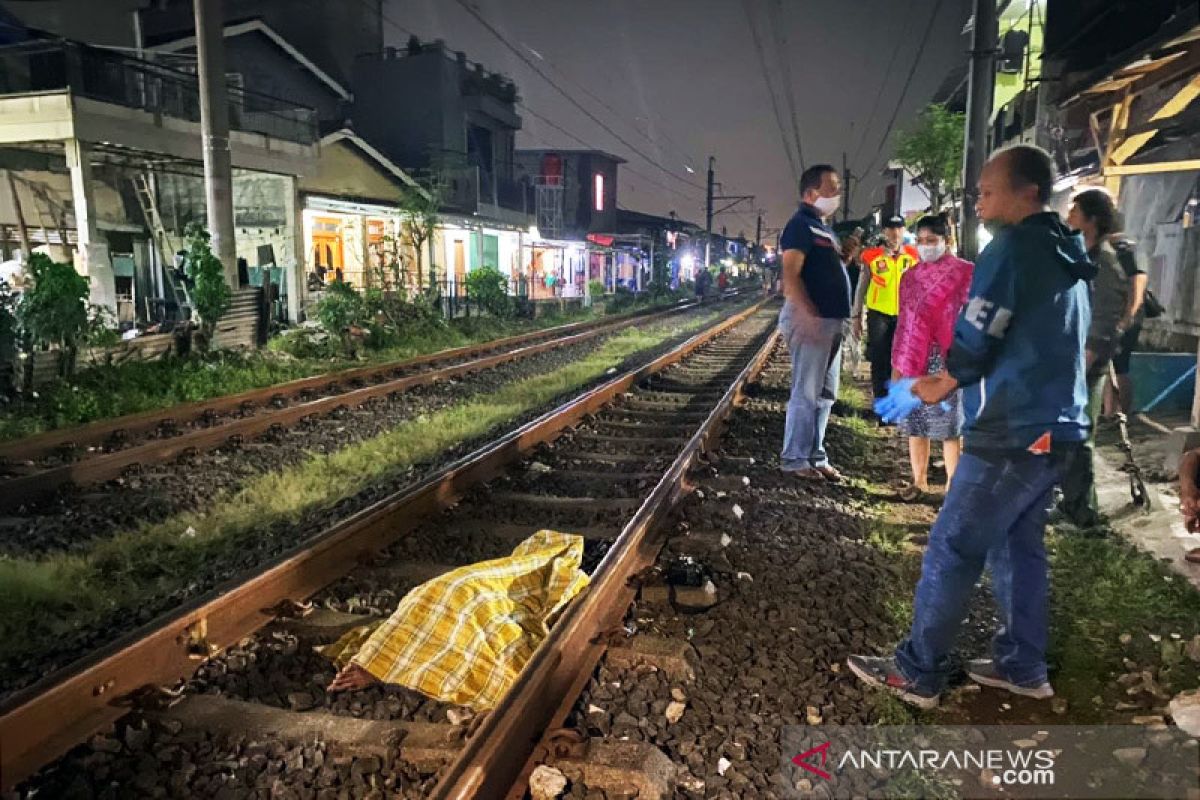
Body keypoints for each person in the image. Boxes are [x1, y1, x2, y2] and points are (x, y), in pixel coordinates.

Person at [847, 144, 1095, 708]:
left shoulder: (1013, 248)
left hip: (1012, 422)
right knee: (1018, 544)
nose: (979, 203)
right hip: (1059, 424)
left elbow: (984, 327)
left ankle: (918, 672)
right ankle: (1022, 665)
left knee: (952, 545)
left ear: (1026, 191)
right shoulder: (1068, 250)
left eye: (987, 192)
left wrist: (946, 377)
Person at [778, 164, 861, 482]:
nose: (837, 194)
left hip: (830, 322)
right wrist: (807, 314)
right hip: (813, 322)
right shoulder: (800, 225)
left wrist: (843, 259)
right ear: (811, 193)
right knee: (807, 393)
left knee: (826, 394)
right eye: (832, 188)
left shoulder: (823, 228)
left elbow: (823, 270)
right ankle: (795, 458)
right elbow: (791, 274)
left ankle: (815, 455)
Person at [1056, 189, 1130, 529]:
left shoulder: (1105, 264)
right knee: (1067, 436)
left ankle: (1084, 515)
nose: (1068, 216)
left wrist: (1079, 367)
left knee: (1080, 437)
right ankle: (1071, 503)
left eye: (1075, 211)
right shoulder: (1082, 257)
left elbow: (1102, 327)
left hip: (1085, 366)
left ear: (1092, 220)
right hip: (1071, 362)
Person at [890, 215, 974, 499]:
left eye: (932, 241)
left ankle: (954, 485)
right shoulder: (910, 277)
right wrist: (898, 364)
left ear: (947, 241)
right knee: (917, 422)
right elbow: (905, 321)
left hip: (950, 357)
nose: (926, 247)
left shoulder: (965, 273)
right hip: (915, 356)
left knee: (951, 425)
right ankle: (919, 481)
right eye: (921, 241)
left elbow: (972, 316)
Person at [853, 216, 920, 400]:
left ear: (904, 231)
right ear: (884, 232)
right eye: (891, 228)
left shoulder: (914, 256)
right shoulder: (872, 256)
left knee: (901, 362)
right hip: (879, 316)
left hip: (905, 317)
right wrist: (856, 317)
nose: (895, 233)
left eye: (899, 228)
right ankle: (882, 404)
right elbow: (861, 288)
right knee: (879, 360)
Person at [1106, 232, 1150, 416]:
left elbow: (1138, 282)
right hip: (1113, 316)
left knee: (1119, 367)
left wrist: (1128, 316)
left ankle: (1121, 414)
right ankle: (1109, 414)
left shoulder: (1125, 249)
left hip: (1125, 318)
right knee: (1108, 368)